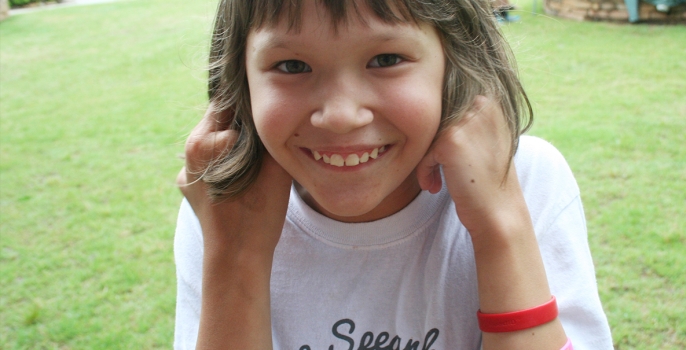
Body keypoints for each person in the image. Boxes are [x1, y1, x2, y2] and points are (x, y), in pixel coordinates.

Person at [173, 0, 614, 349]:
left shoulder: (525, 180)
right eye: (292, 66)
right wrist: (236, 258)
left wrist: (500, 225)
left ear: (456, 61)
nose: (341, 116)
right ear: (239, 82)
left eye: (386, 58)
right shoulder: (225, 209)